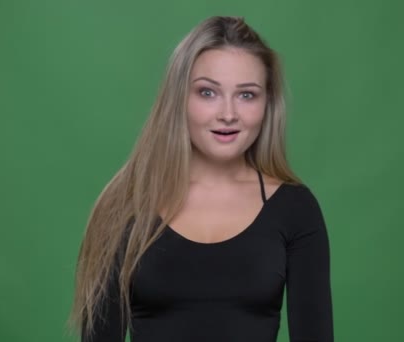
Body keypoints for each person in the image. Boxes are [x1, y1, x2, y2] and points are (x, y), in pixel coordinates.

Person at [70, 16, 333, 342]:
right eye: (207, 92)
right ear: (178, 98)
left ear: (268, 104)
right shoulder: (125, 206)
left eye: (246, 95)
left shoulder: (295, 208)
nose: (227, 114)